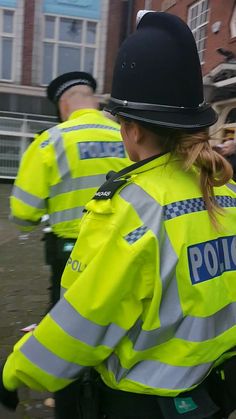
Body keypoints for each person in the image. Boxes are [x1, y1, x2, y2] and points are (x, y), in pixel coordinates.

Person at [2, 10, 236, 419]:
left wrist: (15, 372)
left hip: (144, 401)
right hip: (214, 393)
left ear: (132, 129)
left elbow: (84, 325)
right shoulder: (225, 191)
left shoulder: (132, 209)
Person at [8, 71, 131, 418]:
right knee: (121, 325)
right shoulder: (132, 135)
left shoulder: (50, 142)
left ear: (63, 105)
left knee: (69, 331)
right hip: (128, 249)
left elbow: (23, 212)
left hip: (71, 256)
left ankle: (70, 405)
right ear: (92, 98)